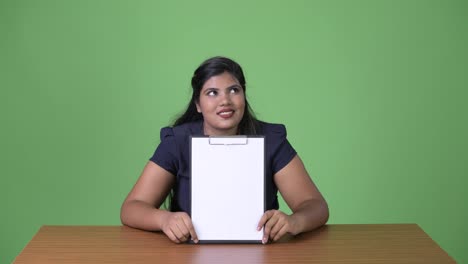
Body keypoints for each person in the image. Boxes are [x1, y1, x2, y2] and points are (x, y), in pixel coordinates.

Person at [120, 56, 329, 244]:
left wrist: (294, 221)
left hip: (262, 252)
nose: (225, 101)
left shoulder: (271, 140)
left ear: (243, 97)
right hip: (187, 252)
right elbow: (131, 208)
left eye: (234, 90)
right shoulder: (177, 142)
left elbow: (315, 205)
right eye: (212, 93)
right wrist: (164, 219)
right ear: (198, 104)